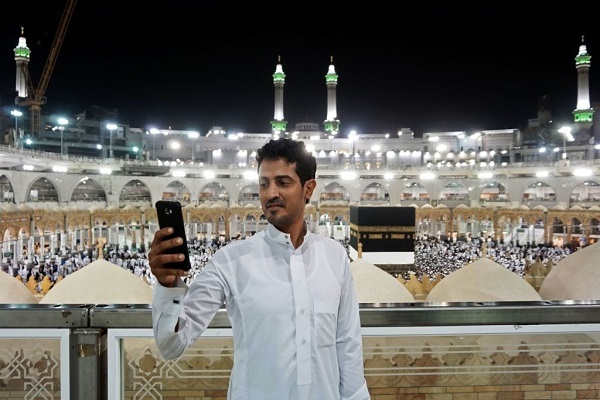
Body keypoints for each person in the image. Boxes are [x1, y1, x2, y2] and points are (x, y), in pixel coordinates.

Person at [149, 137, 370, 399]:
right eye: (264, 184)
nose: (271, 193)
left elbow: (347, 347)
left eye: (283, 182)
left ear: (308, 188)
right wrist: (166, 287)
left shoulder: (334, 257)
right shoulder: (231, 260)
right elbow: (171, 345)